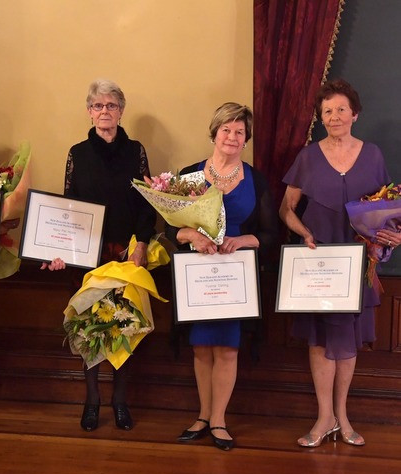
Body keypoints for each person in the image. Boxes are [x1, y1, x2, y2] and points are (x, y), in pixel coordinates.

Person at [279, 79, 399, 447]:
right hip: (319, 264)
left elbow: (387, 211)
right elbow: (286, 208)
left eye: (341, 109)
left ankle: (343, 416)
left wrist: (393, 236)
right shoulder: (307, 156)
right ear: (320, 117)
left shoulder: (374, 154)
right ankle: (323, 418)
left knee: (346, 343)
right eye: (327, 111)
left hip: (358, 265)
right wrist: (304, 232)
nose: (334, 116)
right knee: (319, 342)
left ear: (355, 114)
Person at [165, 102, 277, 450]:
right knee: (201, 348)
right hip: (197, 277)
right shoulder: (189, 176)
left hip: (236, 278)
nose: (232, 136)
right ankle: (201, 415)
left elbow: (272, 235)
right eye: (226, 129)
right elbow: (170, 229)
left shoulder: (256, 180)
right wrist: (191, 236)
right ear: (214, 133)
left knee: (228, 349)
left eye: (239, 131)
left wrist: (243, 240)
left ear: (246, 139)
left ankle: (218, 421)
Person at [63, 79, 156, 432]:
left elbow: (148, 202)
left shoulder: (136, 151)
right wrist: (62, 250)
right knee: (89, 328)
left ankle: (120, 401)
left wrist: (143, 245)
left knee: (123, 327)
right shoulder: (77, 153)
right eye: (98, 106)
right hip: (87, 254)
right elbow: (68, 205)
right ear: (89, 112)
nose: (105, 111)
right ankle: (92, 401)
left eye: (111, 106)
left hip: (126, 255)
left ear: (121, 111)